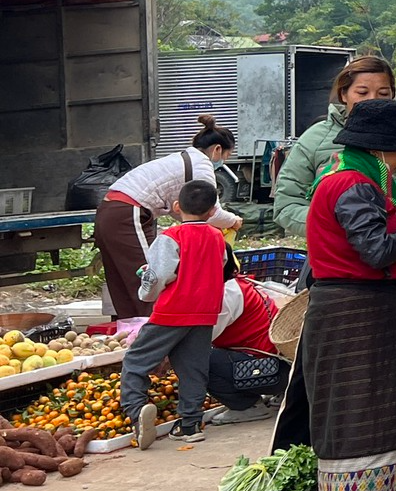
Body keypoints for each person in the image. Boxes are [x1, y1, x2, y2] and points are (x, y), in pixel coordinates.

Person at [299, 98, 396, 491]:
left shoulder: (336, 179)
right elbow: (375, 249)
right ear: (382, 149)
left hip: (337, 310)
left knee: (338, 419)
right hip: (358, 313)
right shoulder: (355, 185)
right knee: (363, 418)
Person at [274, 56, 396, 245]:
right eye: (362, 92)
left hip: (394, 255)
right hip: (333, 256)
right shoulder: (314, 139)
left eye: (383, 93)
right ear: (343, 94)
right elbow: (287, 204)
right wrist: (344, 227)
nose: (372, 100)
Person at [95, 114, 244, 318]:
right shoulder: (201, 167)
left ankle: (130, 330)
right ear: (217, 149)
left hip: (110, 210)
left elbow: (185, 212)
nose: (224, 160)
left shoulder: (182, 159)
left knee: (123, 280)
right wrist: (234, 221)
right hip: (128, 213)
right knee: (149, 276)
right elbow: (211, 212)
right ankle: (155, 332)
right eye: (227, 155)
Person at [122, 178, 228, 449]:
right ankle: (190, 425)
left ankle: (136, 412)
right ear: (212, 211)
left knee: (136, 361)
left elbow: (158, 276)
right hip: (205, 313)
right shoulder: (218, 238)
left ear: (177, 207)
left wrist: (146, 290)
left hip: (172, 312)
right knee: (193, 370)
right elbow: (220, 268)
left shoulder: (171, 237)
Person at [206, 255, 288, 426]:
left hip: (269, 373)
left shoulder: (225, 295)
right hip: (283, 367)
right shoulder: (240, 284)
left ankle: (246, 406)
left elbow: (201, 336)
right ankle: (282, 393)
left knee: (196, 358)